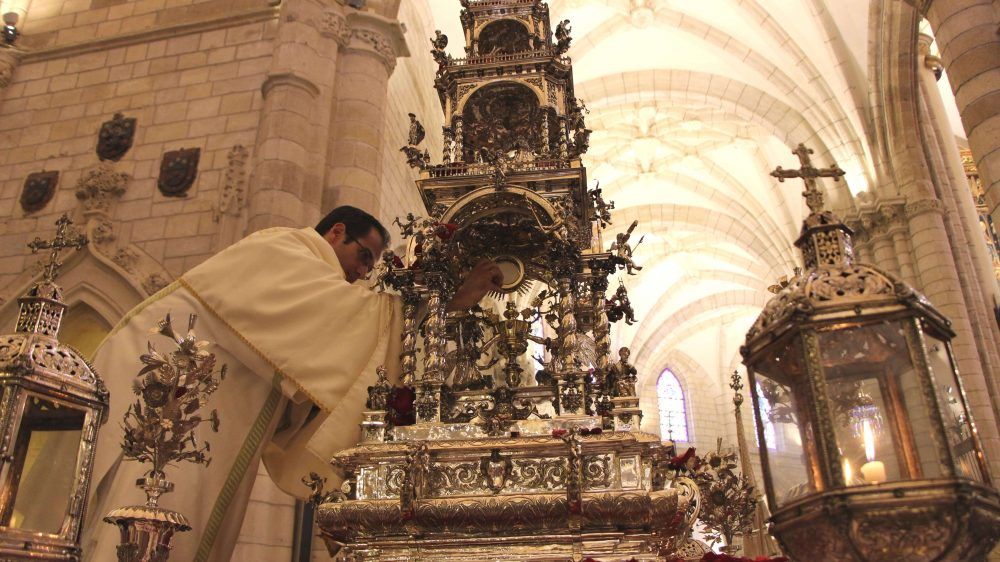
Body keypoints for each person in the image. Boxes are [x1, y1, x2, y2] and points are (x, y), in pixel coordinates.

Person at [82, 206, 501, 562]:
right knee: (148, 500)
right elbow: (350, 317)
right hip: (166, 389)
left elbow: (315, 354)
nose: (362, 272)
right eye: (363, 256)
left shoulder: (310, 272)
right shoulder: (282, 248)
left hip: (201, 405)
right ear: (336, 232)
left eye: (370, 265)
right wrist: (444, 304)